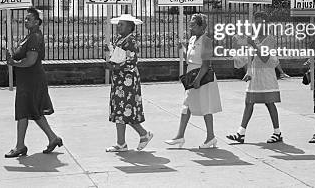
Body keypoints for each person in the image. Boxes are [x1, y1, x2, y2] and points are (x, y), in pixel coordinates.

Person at [5, 7, 62, 157]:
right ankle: (53, 138)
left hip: (32, 80)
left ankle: (20, 146)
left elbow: (31, 61)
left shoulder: (35, 37)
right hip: (26, 80)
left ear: (37, 22)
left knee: (24, 111)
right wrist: (13, 56)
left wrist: (14, 63)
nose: (25, 21)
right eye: (25, 19)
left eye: (29, 19)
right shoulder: (30, 36)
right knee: (33, 111)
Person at [165, 13, 222, 149]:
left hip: (202, 78)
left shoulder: (206, 41)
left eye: (193, 24)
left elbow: (206, 64)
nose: (191, 27)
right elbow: (189, 59)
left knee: (205, 106)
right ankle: (180, 136)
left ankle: (210, 137)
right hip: (192, 75)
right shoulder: (192, 39)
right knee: (187, 105)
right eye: (190, 24)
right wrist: (183, 48)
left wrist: (197, 80)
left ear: (202, 26)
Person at [226, 11, 283, 144]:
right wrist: (236, 49)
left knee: (269, 103)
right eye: (256, 22)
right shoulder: (254, 38)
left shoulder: (270, 39)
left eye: (260, 22)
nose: (258, 24)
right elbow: (248, 58)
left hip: (267, 76)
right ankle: (241, 133)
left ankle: (277, 132)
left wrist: (253, 44)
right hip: (255, 76)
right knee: (248, 103)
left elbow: (264, 58)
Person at [105, 13, 153, 152]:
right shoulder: (120, 39)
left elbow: (131, 62)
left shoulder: (130, 41)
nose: (118, 26)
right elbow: (119, 56)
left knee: (124, 110)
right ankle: (130, 140)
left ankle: (128, 141)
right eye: (118, 24)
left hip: (127, 80)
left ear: (130, 27)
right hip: (119, 80)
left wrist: (114, 67)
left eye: (122, 24)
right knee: (122, 110)